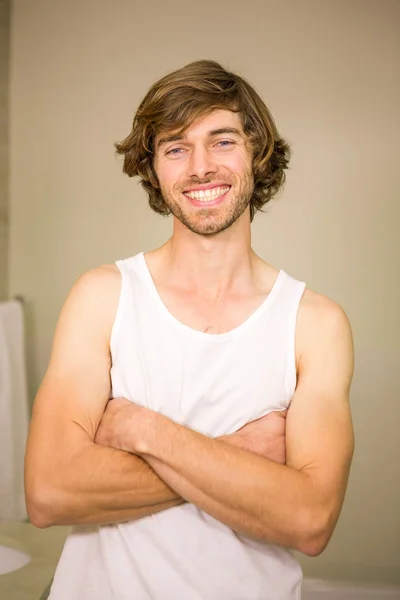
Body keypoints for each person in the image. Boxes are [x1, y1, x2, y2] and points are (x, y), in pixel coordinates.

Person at [25, 59, 354, 600]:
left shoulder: (314, 324)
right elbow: (48, 493)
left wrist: (142, 431)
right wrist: (238, 455)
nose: (200, 167)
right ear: (154, 169)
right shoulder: (103, 296)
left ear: (257, 152)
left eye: (222, 141)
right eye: (176, 147)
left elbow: (310, 519)